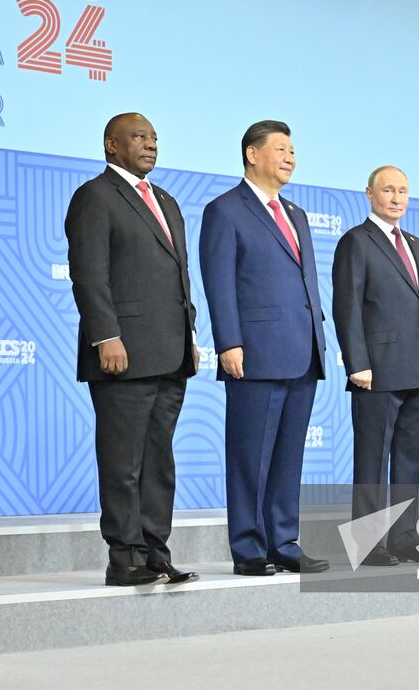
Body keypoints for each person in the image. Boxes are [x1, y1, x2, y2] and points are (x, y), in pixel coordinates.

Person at [65, 113, 199, 586]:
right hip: (122, 352)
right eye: (139, 137)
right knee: (124, 462)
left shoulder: (166, 200)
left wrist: (191, 336)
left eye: (154, 138)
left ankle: (156, 552)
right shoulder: (95, 197)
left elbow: (178, 278)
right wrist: (106, 336)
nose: (150, 145)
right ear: (111, 145)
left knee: (158, 460)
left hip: (171, 352)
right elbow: (89, 274)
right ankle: (125, 557)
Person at [199, 120, 329, 576]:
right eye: (280, 148)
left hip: (303, 349)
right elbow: (219, 284)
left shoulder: (296, 213)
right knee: (249, 457)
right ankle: (249, 548)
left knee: (289, 456)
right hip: (253, 352)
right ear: (253, 155)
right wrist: (229, 342)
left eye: (293, 149)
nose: (290, 157)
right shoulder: (225, 210)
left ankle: (284, 541)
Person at [331, 166, 419, 566]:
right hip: (376, 372)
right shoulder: (355, 242)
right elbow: (346, 308)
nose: (397, 198)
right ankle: (367, 543)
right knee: (372, 460)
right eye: (388, 190)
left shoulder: (416, 244)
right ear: (369, 194)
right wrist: (356, 362)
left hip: (418, 369)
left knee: (409, 460)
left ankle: (404, 538)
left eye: (403, 191)